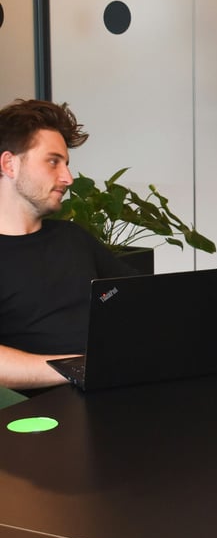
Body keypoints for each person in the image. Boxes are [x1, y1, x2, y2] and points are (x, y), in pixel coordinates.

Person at [0, 98, 135, 390]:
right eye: (53, 162)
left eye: (66, 164)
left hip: (115, 386)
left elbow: (138, 296)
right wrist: (78, 368)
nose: (68, 178)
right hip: (45, 407)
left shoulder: (72, 237)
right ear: (9, 164)